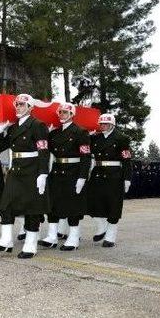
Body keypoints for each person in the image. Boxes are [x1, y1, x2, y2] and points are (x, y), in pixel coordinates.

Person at [0, 94, 50, 258]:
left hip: (32, 170)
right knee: (5, 204)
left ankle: (31, 244)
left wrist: (43, 174)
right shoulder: (13, 127)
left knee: (32, 209)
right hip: (16, 171)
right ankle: (6, 240)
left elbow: (43, 151)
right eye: (16, 104)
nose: (18, 107)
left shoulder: (38, 125)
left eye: (22, 104)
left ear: (31, 107)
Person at [38, 103, 91, 251]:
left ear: (72, 114)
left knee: (72, 206)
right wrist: (45, 134)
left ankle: (73, 238)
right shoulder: (54, 133)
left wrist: (82, 177)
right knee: (53, 204)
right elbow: (45, 149)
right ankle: (52, 236)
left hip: (73, 172)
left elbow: (85, 156)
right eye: (60, 112)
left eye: (65, 112)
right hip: (57, 171)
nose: (62, 114)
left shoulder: (81, 132)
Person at [87, 113, 132, 247]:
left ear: (112, 125)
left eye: (105, 124)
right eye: (101, 124)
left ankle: (110, 236)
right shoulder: (95, 138)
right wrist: (87, 135)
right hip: (98, 173)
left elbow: (127, 160)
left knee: (113, 206)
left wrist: (127, 178)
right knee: (92, 202)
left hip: (114, 175)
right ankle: (102, 227)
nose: (102, 126)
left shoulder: (121, 138)